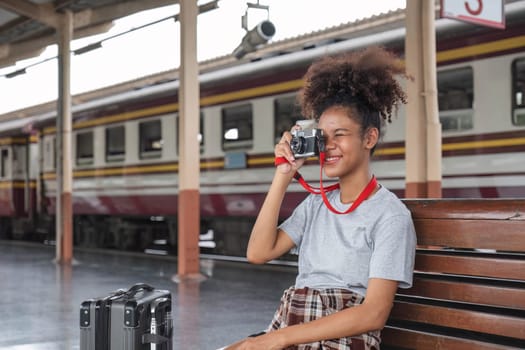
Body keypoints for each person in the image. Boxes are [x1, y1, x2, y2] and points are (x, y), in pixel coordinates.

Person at [224, 46, 417, 350]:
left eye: (340, 134)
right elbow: (258, 253)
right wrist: (283, 176)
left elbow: (374, 314)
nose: (329, 146)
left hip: (340, 335)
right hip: (295, 321)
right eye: (322, 137)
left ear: (369, 138)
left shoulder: (390, 216)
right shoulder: (315, 205)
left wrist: (277, 339)